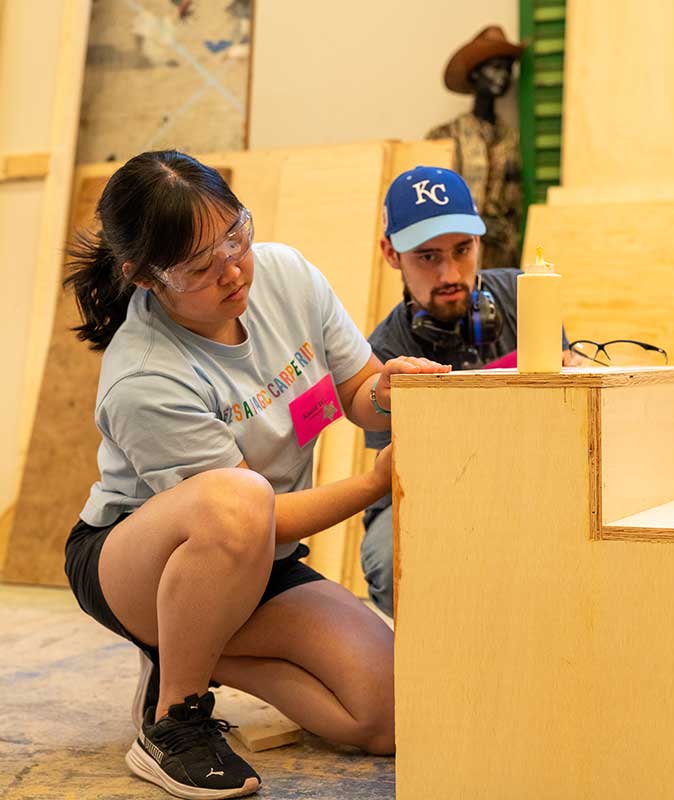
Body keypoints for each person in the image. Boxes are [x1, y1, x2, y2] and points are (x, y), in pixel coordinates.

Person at [62, 150, 449, 799]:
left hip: (260, 557)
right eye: (200, 265)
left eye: (235, 236)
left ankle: (188, 649)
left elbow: (352, 389)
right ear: (146, 277)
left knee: (387, 715)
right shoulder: (144, 377)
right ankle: (175, 721)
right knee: (238, 499)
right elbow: (256, 513)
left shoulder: (286, 275)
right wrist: (374, 484)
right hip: (144, 562)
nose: (233, 269)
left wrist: (387, 390)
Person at [361, 165, 573, 617]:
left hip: (531, 476)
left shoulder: (525, 296)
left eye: (463, 250)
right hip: (426, 494)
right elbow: (404, 474)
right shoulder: (384, 352)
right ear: (390, 254)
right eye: (427, 256)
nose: (450, 274)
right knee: (389, 557)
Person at [426, 25, 526, 269]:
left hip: (503, 261)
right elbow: (431, 206)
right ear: (475, 75)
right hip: (456, 261)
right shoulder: (446, 137)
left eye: (507, 68)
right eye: (495, 68)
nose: (503, 76)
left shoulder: (512, 139)